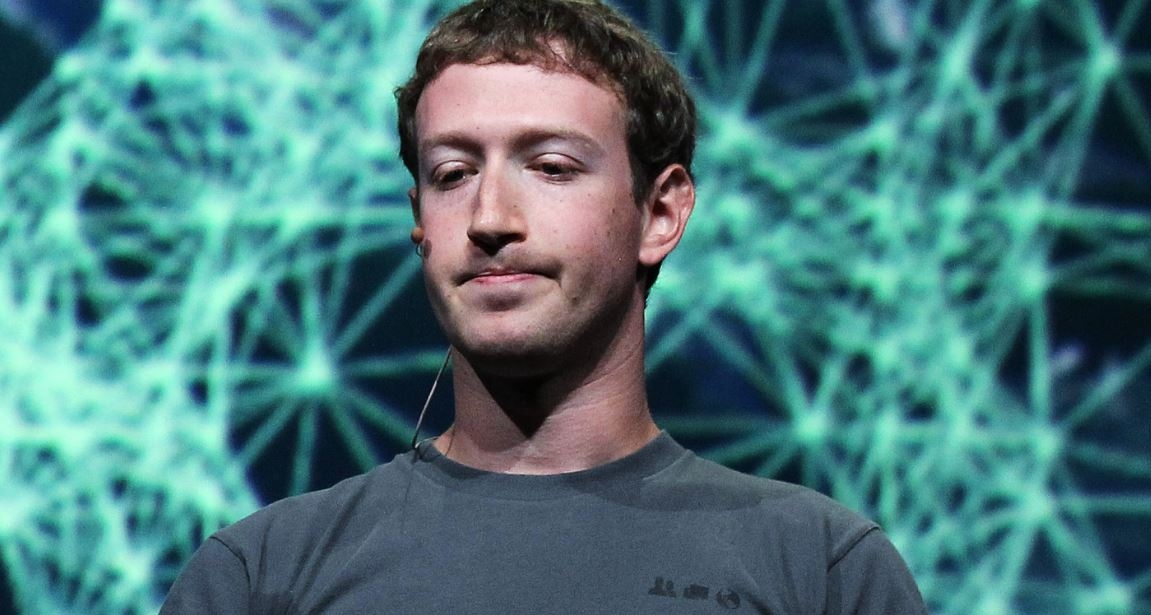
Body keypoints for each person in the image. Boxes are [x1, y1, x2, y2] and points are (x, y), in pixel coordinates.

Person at [161, 0, 928, 612]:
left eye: (551, 166)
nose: (490, 217)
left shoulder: (819, 569)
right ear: (419, 221)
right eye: (452, 173)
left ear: (660, 213)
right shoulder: (261, 576)